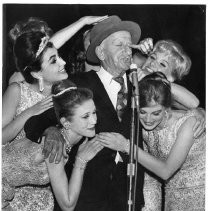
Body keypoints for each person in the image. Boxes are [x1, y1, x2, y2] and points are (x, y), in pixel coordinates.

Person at [23, 15, 205, 211]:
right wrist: (51, 131)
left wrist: (200, 111)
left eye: (130, 46)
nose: (127, 51)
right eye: (119, 45)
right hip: (86, 201)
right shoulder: (79, 83)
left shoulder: (142, 86)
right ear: (101, 52)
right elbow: (33, 124)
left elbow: (191, 102)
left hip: (127, 200)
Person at [2, 15, 108, 210]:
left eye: (59, 56)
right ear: (36, 73)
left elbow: (48, 49)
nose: (63, 62)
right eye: (54, 60)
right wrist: (31, 112)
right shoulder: (18, 88)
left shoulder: (66, 91)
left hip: (45, 187)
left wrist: (83, 21)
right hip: (11, 186)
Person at [97, 72, 205, 210]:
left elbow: (166, 171)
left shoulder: (188, 123)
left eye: (156, 113)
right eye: (142, 112)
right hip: (172, 194)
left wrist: (127, 146)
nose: (148, 119)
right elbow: (149, 169)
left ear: (167, 109)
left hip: (201, 193)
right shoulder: (139, 125)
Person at [2, 79, 103, 210]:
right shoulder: (55, 147)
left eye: (94, 112)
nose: (94, 120)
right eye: (85, 116)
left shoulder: (60, 138)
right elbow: (67, 205)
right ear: (66, 123)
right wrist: (81, 161)